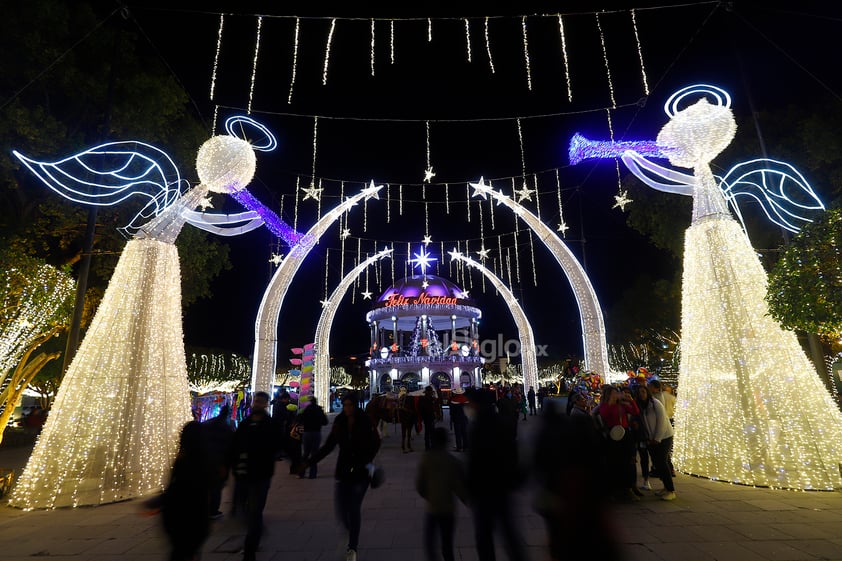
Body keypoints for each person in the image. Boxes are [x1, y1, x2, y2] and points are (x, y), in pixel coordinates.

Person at [306, 391, 381, 561]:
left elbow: (376, 442)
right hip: (343, 471)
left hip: (361, 473)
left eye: (350, 405)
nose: (347, 408)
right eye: (345, 405)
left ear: (355, 405)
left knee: (353, 509)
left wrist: (367, 459)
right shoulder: (339, 422)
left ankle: (352, 547)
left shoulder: (365, 420)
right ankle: (349, 532)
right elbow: (329, 446)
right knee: (341, 510)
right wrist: (310, 462)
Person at [465, 388, 527, 561]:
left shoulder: (477, 426)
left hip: (484, 490)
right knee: (509, 534)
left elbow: (475, 460)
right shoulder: (501, 422)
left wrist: (470, 486)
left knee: (484, 536)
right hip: (503, 488)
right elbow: (514, 451)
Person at [229, 391, 281, 561]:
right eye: (256, 401)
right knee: (242, 509)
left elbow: (279, 444)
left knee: (255, 511)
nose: (257, 404)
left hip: (261, 476)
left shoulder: (270, 424)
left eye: (260, 402)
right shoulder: (244, 424)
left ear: (266, 404)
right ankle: (255, 531)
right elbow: (234, 446)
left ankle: (250, 549)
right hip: (243, 475)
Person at [160, 420, 213, 561]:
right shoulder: (204, 458)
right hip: (196, 519)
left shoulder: (183, 459)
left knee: (180, 553)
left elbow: (175, 488)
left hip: (180, 519)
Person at [415, 427, 468, 561]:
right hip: (448, 510)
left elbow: (420, 485)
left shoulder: (426, 459)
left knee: (429, 544)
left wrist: (430, 496)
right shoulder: (453, 462)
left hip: (432, 508)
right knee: (447, 545)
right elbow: (460, 488)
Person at [638, 384, 677, 500]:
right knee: (657, 464)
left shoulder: (655, 403)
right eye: (639, 392)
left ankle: (671, 490)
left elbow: (662, 421)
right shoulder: (642, 407)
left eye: (643, 392)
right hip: (652, 439)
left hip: (664, 437)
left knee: (662, 463)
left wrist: (657, 438)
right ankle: (665, 487)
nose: (641, 394)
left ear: (647, 393)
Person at [202, 404, 235, 519]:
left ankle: (204, 508)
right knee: (216, 487)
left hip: (206, 459)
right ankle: (213, 511)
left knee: (207, 486)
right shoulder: (227, 428)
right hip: (219, 462)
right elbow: (229, 447)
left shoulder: (208, 423)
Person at [297, 397, 329, 479]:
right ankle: (313, 474)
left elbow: (300, 419)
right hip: (316, 432)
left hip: (307, 433)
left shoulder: (306, 410)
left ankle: (301, 472)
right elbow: (325, 422)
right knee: (314, 454)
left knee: (306, 453)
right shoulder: (319, 410)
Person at [418, 386, 438, 450]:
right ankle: (432, 445)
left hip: (426, 417)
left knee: (427, 432)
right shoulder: (431, 399)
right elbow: (432, 408)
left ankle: (427, 446)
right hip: (430, 417)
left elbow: (421, 409)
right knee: (431, 432)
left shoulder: (423, 399)